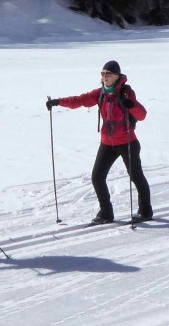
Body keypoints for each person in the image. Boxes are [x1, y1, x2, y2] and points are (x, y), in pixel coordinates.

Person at [46, 60, 153, 225]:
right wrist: (57, 102)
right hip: (107, 143)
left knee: (136, 176)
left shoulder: (126, 93)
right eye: (103, 74)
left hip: (127, 142)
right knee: (97, 177)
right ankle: (106, 213)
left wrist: (131, 105)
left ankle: (145, 211)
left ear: (116, 76)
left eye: (108, 74)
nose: (105, 77)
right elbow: (79, 100)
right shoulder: (100, 93)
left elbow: (142, 115)